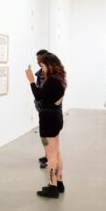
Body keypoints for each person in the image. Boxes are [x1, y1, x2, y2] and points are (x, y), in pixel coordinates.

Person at [26, 52, 67, 198]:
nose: (42, 69)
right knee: (56, 152)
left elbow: (38, 95)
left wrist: (31, 80)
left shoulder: (51, 81)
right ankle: (59, 182)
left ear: (49, 65)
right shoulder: (60, 79)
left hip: (48, 118)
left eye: (43, 66)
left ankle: (52, 186)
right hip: (56, 116)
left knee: (51, 156)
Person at [35, 49, 49, 169]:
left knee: (47, 134)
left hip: (48, 109)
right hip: (42, 107)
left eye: (39, 59)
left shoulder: (50, 74)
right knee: (43, 133)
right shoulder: (40, 73)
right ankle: (47, 154)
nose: (37, 61)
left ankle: (49, 156)